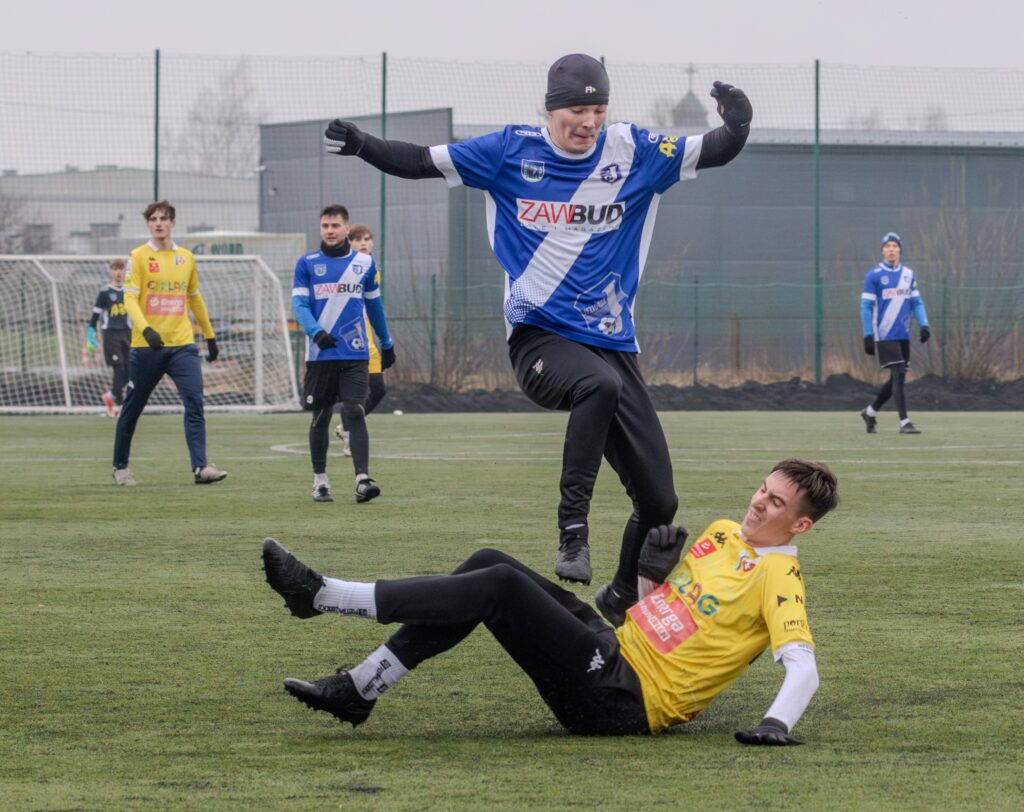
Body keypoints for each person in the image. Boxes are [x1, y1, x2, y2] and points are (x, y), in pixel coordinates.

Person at [321, 53, 753, 615]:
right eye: (578, 109)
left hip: (613, 346)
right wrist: (363, 145)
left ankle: (621, 591)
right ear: (551, 110)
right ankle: (572, 530)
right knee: (596, 387)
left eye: (598, 109)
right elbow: (420, 161)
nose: (590, 122)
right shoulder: (509, 150)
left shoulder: (634, 150)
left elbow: (715, 149)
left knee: (660, 501)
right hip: (538, 337)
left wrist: (738, 124)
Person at [262, 458, 838, 744]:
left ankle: (324, 596)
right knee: (490, 561)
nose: (760, 503)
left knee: (500, 590)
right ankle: (361, 687)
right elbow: (661, 619)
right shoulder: (723, 532)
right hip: (613, 651)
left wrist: (775, 724)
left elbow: (804, 669)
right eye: (763, 489)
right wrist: (649, 581)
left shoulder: (779, 578)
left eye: (777, 504)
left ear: (802, 526)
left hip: (623, 701)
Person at [112, 200, 226, 486]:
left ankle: (201, 468)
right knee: (133, 406)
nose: (159, 223)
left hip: (183, 345)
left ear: (173, 222)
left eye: (164, 218)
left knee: (194, 401)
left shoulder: (186, 257)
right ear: (148, 224)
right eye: (153, 219)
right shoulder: (137, 256)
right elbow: (129, 298)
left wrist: (209, 336)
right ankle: (120, 466)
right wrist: (147, 329)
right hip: (146, 347)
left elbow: (194, 298)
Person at [292, 205, 396, 504]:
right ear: (320, 228)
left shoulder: (364, 263)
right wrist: (316, 332)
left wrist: (386, 343)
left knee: (354, 410)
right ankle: (320, 480)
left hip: (355, 353)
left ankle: (362, 479)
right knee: (321, 416)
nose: (330, 230)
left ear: (346, 229)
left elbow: (375, 306)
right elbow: (299, 305)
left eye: (335, 225)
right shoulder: (307, 264)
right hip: (320, 355)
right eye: (325, 225)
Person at [860, 232, 931, 435]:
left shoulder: (908, 275)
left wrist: (924, 324)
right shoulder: (874, 275)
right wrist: (867, 334)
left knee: (896, 379)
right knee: (898, 374)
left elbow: (916, 302)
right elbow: (866, 306)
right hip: (884, 334)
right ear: (882, 250)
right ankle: (904, 422)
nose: (891, 249)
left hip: (903, 334)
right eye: (887, 246)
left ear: (899, 249)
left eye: (895, 245)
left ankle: (870, 412)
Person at [334, 224, 388, 456]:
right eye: (358, 239)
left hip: (368, 342)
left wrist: (385, 339)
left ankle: (345, 427)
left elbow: (373, 307)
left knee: (378, 390)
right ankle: (350, 439)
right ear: (350, 242)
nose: (364, 243)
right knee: (351, 394)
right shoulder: (342, 268)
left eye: (367, 238)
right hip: (347, 342)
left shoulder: (372, 269)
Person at [86, 258, 132, 417]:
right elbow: (95, 315)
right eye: (115, 269)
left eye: (121, 269)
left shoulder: (130, 290)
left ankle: (111, 396)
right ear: (110, 271)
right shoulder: (105, 292)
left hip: (128, 333)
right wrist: (90, 333)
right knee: (118, 369)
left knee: (129, 370)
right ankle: (119, 406)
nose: (118, 272)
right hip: (111, 334)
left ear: (125, 270)